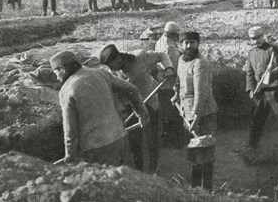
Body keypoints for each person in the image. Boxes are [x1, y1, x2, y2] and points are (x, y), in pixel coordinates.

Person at [50, 51, 148, 166]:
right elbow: (132, 89)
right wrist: (141, 113)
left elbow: (70, 130)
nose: (56, 78)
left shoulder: (67, 90)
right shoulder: (100, 73)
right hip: (119, 139)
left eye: (55, 72)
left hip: (95, 150)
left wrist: (70, 154)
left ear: (62, 69)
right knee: (126, 180)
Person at [100, 44, 174, 173]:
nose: (112, 69)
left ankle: (153, 170)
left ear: (118, 58)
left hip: (150, 102)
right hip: (131, 106)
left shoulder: (140, 56)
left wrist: (168, 68)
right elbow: (116, 92)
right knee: (135, 141)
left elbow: (162, 55)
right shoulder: (112, 71)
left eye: (112, 65)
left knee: (151, 138)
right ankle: (139, 171)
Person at [172, 31, 218, 191]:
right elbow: (179, 79)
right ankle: (195, 190)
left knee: (205, 152)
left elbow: (201, 92)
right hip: (187, 112)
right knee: (193, 152)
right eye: (185, 43)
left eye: (192, 42)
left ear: (198, 44)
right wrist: (176, 93)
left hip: (204, 113)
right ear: (180, 45)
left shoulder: (200, 63)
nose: (189, 46)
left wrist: (196, 117)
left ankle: (207, 191)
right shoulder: (180, 60)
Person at [244, 26, 278, 153]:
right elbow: (249, 73)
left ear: (263, 36)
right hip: (259, 91)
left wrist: (269, 76)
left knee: (272, 116)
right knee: (256, 116)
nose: (256, 41)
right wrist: (250, 89)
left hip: (274, 89)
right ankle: (253, 145)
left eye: (259, 37)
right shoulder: (251, 53)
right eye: (253, 39)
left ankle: (277, 146)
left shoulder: (273, 50)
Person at [155, 21, 184, 147]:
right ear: (172, 34)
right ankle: (174, 141)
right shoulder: (169, 48)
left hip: (161, 82)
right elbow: (174, 67)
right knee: (172, 112)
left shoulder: (159, 42)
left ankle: (168, 138)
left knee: (167, 112)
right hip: (169, 84)